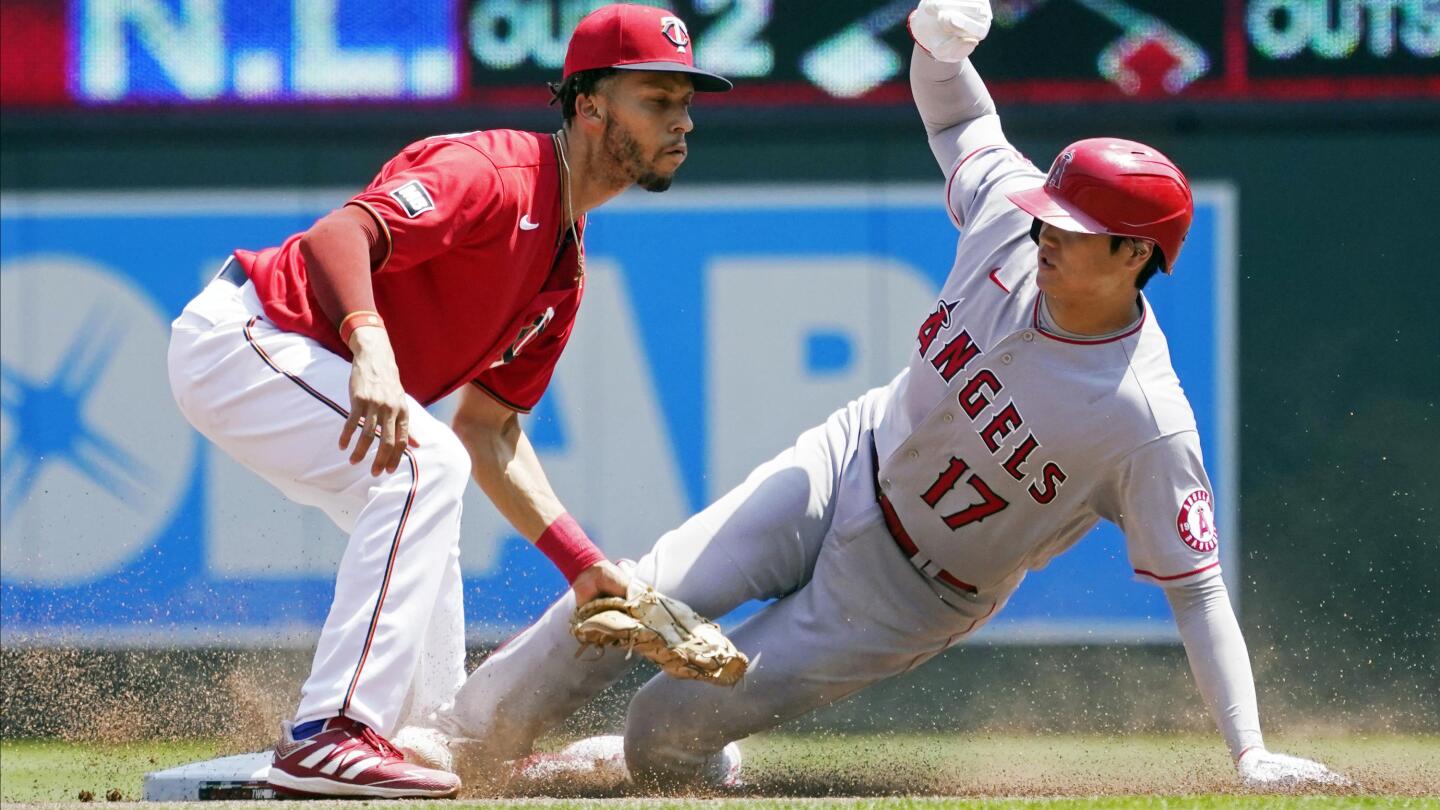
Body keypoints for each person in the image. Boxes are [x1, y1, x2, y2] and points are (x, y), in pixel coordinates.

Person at [392, 0, 1347, 794]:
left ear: (1136, 255)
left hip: (911, 591)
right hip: (851, 461)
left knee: (663, 730)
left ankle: (655, 764)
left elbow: (1199, 592)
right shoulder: (1012, 223)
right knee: (637, 598)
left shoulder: (1143, 417)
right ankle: (447, 749)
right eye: (1051, 211)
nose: (1046, 230)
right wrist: (937, 48)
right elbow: (959, 121)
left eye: (1077, 226)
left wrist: (1247, 751)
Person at [165, 4, 730, 799]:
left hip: (317, 373)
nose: (682, 122)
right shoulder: (496, 174)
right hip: (246, 338)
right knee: (422, 466)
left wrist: (584, 569)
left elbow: (490, 433)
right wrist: (369, 346)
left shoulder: (561, 276)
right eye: (657, 99)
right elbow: (340, 235)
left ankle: (430, 739)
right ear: (590, 104)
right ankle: (329, 732)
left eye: (686, 103)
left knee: (429, 497)